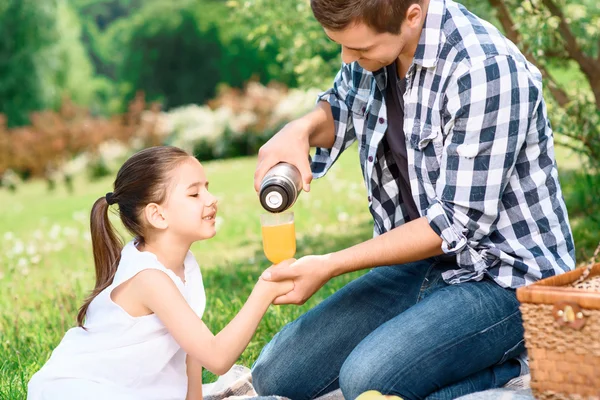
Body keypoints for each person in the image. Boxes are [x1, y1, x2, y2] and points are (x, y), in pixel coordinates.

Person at [251, 0, 575, 399]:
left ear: (413, 15)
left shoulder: (484, 69)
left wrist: (330, 265)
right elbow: (339, 107)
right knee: (276, 376)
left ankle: (518, 369)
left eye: (360, 50)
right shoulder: (380, 42)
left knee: (368, 384)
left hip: (506, 278)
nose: (347, 58)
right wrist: (299, 131)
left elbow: (454, 225)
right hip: (420, 263)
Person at [28, 146, 294, 400]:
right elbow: (217, 358)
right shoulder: (150, 278)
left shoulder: (182, 264)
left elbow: (191, 353)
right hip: (80, 390)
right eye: (194, 194)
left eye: (207, 189)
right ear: (157, 215)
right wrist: (264, 290)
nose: (212, 200)